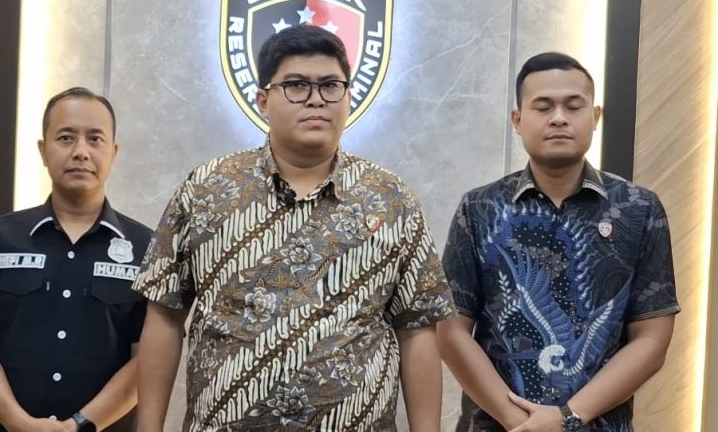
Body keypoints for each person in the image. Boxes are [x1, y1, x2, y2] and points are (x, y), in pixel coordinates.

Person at [132, 24, 454, 431]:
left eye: (330, 85)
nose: (316, 99)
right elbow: (164, 316)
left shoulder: (392, 199)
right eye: (297, 85)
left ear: (348, 97)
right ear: (263, 101)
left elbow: (417, 330)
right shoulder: (206, 189)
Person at [438, 52, 679, 432]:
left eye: (573, 105)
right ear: (518, 120)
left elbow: (651, 338)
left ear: (595, 116)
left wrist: (567, 417)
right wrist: (521, 423)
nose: (559, 118)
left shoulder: (638, 209)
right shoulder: (480, 208)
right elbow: (451, 330)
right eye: (543, 106)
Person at [0, 87, 152, 431]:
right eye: (66, 138)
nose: (81, 152)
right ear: (43, 150)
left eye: (95, 139)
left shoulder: (145, 248)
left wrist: (78, 426)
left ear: (113, 152)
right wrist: (18, 423)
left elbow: (147, 360)